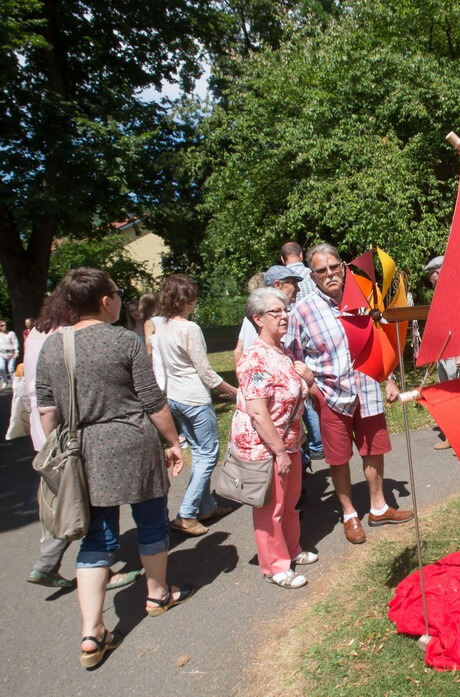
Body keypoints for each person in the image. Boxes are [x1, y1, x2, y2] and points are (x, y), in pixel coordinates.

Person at [35, 268, 192, 668]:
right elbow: (152, 401)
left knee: (97, 537)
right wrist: (174, 443)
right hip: (133, 443)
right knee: (152, 519)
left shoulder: (55, 347)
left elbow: (47, 410)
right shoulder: (125, 340)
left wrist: (62, 451)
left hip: (84, 449)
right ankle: (157, 593)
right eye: (118, 294)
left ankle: (92, 631)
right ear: (106, 300)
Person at [288, 243, 412, 544]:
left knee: (374, 449)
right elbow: (294, 356)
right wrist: (313, 389)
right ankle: (349, 514)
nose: (329, 274)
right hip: (330, 395)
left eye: (334, 267)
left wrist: (389, 378)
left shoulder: (363, 299)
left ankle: (379, 507)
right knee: (338, 457)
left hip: (368, 387)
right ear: (312, 275)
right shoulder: (303, 311)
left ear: (343, 267)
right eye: (321, 270)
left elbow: (377, 341)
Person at [23, 291, 141, 591]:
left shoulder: (37, 333)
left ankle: (47, 562)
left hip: (49, 431)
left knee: (65, 495)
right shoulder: (64, 337)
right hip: (71, 428)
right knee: (93, 499)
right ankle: (100, 566)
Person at [232, 288, 317, 588]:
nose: (284, 316)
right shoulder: (254, 358)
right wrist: (279, 451)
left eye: (285, 310)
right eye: (275, 312)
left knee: (290, 502)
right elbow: (258, 412)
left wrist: (307, 377)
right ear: (257, 319)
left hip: (289, 442)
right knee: (271, 509)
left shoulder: (281, 351)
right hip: (267, 447)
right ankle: (275, 566)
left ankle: (292, 550)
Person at [157, 275, 239, 535]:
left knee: (199, 451)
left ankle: (205, 506)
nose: (195, 301)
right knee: (208, 453)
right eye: (191, 296)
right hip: (194, 398)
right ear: (182, 300)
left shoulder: (162, 327)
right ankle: (187, 513)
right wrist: (233, 390)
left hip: (175, 398)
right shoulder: (189, 329)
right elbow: (204, 371)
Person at [423, 255, 460, 451]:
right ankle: (453, 437)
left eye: (431, 274)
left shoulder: (456, 291)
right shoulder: (442, 292)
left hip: (455, 351)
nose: (429, 280)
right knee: (447, 393)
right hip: (444, 351)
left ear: (439, 272)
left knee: (457, 394)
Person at [233, 266, 300, 367]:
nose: (298, 288)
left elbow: (238, 350)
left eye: (284, 310)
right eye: (293, 283)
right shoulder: (260, 316)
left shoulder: (251, 315)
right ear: (277, 285)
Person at [0, 319, 18, 390]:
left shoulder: (11, 333)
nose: (4, 326)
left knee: (11, 369)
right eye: (2, 325)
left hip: (11, 353)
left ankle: (14, 382)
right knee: (1, 367)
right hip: (2, 353)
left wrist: (16, 351)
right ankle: (5, 381)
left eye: (5, 325)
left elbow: (15, 342)